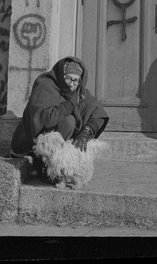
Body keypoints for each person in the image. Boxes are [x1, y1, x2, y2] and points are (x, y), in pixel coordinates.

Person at [10, 56, 109, 185]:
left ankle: (61, 166)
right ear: (62, 76)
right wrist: (70, 104)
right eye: (68, 78)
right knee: (68, 121)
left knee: (71, 120)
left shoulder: (78, 91)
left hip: (58, 143)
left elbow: (98, 112)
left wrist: (87, 130)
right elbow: (47, 120)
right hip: (35, 138)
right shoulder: (45, 85)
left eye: (76, 80)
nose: (72, 84)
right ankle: (44, 166)